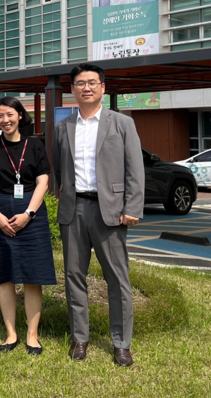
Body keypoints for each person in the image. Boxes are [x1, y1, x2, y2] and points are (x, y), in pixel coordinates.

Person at [52, 63, 145, 367]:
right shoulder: (63, 127)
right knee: (73, 276)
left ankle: (121, 343)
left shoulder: (122, 123)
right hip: (74, 210)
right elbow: (58, 169)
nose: (86, 87)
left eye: (92, 82)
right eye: (80, 83)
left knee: (117, 278)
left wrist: (132, 207)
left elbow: (135, 169)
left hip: (111, 211)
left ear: (103, 87)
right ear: (72, 90)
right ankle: (80, 338)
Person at [0, 97, 55, 356]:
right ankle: (11, 334)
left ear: (20, 115)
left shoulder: (35, 145)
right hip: (0, 210)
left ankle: (33, 336)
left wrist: (29, 214)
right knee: (5, 276)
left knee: (33, 277)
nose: (5, 120)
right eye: (0, 116)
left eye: (10, 114)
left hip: (32, 212)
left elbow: (43, 181)